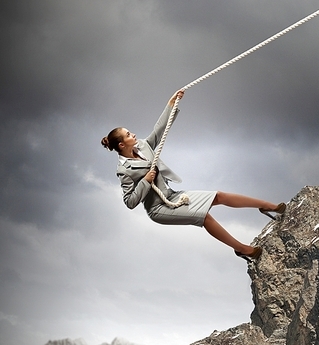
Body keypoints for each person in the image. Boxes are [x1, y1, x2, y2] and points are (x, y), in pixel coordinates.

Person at [101, 90, 285, 261]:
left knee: (219, 196)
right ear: (121, 145)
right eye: (128, 134)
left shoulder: (142, 146)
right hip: (159, 209)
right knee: (204, 216)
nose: (133, 134)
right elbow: (129, 202)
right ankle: (244, 249)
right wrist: (145, 181)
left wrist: (171, 105)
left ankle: (268, 206)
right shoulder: (123, 170)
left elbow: (158, 131)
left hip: (173, 195)